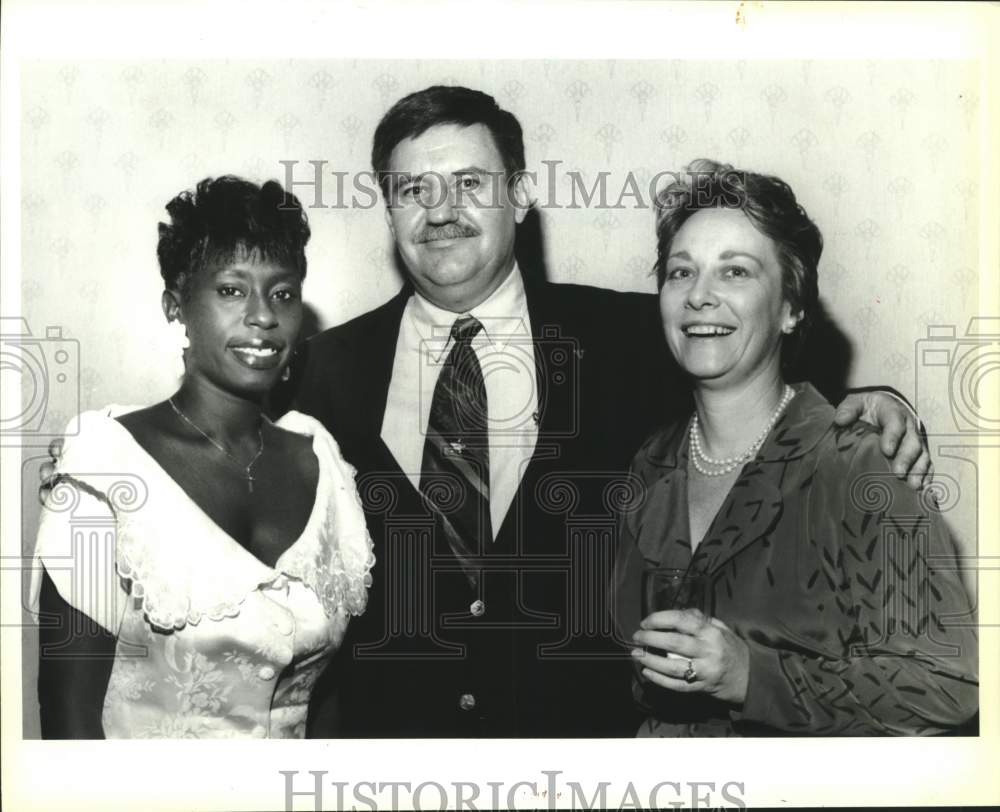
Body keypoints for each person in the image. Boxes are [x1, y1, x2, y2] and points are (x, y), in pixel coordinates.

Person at [285, 86, 929, 737]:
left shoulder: (633, 335)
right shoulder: (318, 371)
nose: (441, 211)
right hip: (393, 771)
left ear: (521, 194)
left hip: (594, 767)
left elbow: (759, 368)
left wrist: (867, 402)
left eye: (469, 182)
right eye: (413, 189)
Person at [613, 160, 977, 736]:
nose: (700, 295)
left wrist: (749, 677)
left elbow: (947, 686)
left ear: (790, 307)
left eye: (735, 271)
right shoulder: (651, 460)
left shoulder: (861, 464)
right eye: (681, 273)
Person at [30, 176, 374, 739]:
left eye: (283, 293)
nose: (263, 316)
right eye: (232, 290)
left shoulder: (323, 464)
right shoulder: (104, 469)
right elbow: (69, 722)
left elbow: (328, 704)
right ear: (177, 306)